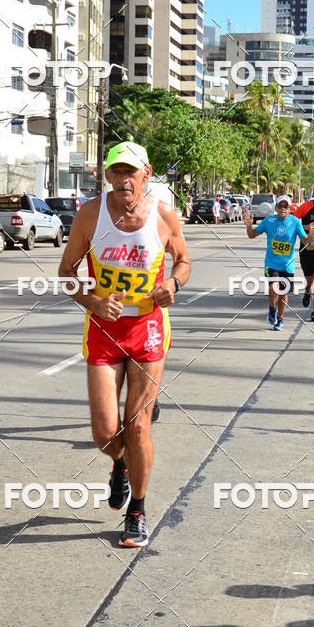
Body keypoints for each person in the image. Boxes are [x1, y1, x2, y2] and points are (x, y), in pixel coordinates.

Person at [59, 142, 190, 548]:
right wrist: (93, 300)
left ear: (147, 173)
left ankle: (137, 510)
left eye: (131, 171)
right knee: (104, 432)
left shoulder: (163, 215)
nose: (123, 179)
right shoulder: (91, 215)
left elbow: (184, 261)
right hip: (103, 329)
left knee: (137, 425)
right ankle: (119, 462)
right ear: (107, 174)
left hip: (148, 330)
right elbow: (66, 273)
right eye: (116, 171)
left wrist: (172, 283)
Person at [243, 195, 314, 331]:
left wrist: (311, 237)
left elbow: (305, 241)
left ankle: (280, 319)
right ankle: (272, 308)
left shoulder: (295, 222)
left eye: (286, 206)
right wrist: (249, 226)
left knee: (283, 293)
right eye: (280, 206)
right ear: (276, 208)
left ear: (290, 209)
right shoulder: (269, 221)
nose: (283, 208)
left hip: (287, 265)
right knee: (274, 287)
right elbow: (252, 235)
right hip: (271, 263)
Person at [294, 183, 314, 322]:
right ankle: (308, 290)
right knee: (310, 279)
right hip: (306, 248)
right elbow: (292, 222)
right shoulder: (307, 206)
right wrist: (306, 227)